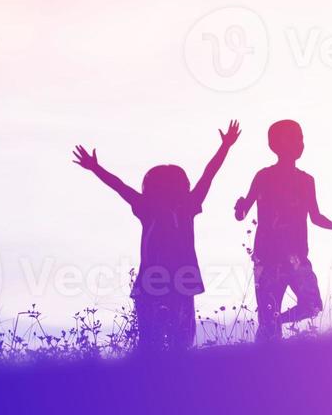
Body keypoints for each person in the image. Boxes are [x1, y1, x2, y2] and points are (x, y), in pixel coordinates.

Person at [72, 121, 240, 351]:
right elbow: (208, 175)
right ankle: (169, 378)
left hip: (158, 279)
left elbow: (120, 186)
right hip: (178, 278)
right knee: (178, 342)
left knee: (155, 343)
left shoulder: (149, 205)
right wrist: (225, 147)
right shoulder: (185, 204)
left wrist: (95, 168)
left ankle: (154, 378)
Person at [235, 120, 332, 341]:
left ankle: (276, 322)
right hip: (267, 259)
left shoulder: (306, 181)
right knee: (268, 321)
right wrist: (239, 207)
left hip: (297, 257)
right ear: (275, 145)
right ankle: (266, 357)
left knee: (312, 305)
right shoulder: (263, 177)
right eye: (294, 138)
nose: (299, 144)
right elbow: (242, 213)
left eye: (300, 138)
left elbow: (315, 217)